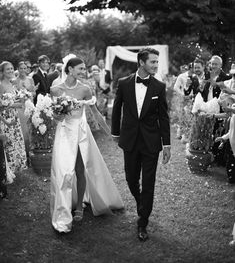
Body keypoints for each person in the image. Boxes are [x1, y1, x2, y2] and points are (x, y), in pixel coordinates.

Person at [50, 56, 124, 233]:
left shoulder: (85, 89)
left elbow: (96, 114)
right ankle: (62, 209)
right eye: (80, 69)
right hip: (64, 133)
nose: (84, 72)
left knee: (80, 169)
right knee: (63, 172)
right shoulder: (55, 89)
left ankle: (79, 207)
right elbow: (54, 117)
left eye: (84, 69)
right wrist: (59, 115)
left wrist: (112, 134)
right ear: (69, 69)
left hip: (81, 133)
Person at [111, 48, 171, 241]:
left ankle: (142, 222)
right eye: (152, 62)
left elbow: (163, 116)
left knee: (148, 184)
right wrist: (115, 132)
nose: (156, 65)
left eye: (157, 62)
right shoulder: (124, 83)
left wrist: (167, 144)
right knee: (130, 178)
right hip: (129, 139)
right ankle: (141, 203)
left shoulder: (159, 87)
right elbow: (117, 108)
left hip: (151, 142)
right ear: (141, 62)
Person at [0, 61, 27, 178]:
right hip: (6, 119)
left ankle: (16, 168)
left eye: (11, 68)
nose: (11, 71)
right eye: (8, 69)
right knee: (8, 144)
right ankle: (7, 171)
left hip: (14, 117)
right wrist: (6, 121)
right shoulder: (0, 85)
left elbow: (18, 101)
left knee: (16, 142)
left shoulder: (12, 84)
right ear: (2, 72)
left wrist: (22, 98)